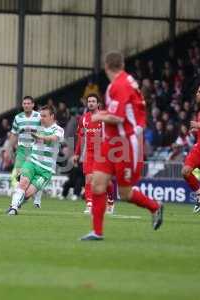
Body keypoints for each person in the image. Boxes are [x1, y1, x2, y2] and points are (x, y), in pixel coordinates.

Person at [80, 51, 163, 241]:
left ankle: (155, 207)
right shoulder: (124, 82)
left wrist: (98, 116)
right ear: (122, 65)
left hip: (125, 143)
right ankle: (97, 232)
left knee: (124, 193)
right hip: (111, 142)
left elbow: (118, 117)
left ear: (106, 66)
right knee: (97, 185)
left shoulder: (120, 85)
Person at [6, 105, 64, 215]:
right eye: (41, 115)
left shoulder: (58, 130)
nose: (41, 118)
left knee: (28, 194)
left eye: (44, 116)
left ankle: (15, 204)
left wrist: (40, 137)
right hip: (32, 162)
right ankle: (13, 208)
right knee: (23, 183)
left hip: (46, 170)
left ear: (52, 116)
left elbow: (53, 139)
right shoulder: (37, 127)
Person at [73, 94, 115, 215]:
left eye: (93, 101)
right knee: (89, 178)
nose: (91, 103)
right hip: (89, 152)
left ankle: (111, 201)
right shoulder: (84, 119)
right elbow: (81, 137)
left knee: (105, 181)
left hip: (103, 152)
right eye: (89, 101)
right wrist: (76, 153)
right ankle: (89, 204)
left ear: (98, 104)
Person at [5, 96, 42, 208]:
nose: (26, 105)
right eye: (24, 103)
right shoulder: (18, 118)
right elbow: (14, 134)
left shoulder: (39, 117)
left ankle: (32, 198)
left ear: (33, 104)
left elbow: (45, 131)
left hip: (34, 149)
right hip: (21, 150)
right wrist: (8, 149)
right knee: (18, 175)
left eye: (28, 103)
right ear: (22, 105)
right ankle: (19, 200)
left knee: (29, 175)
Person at [182, 85, 200, 212]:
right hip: (199, 148)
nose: (197, 93)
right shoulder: (199, 111)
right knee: (185, 172)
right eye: (198, 91)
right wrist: (196, 130)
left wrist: (199, 125)